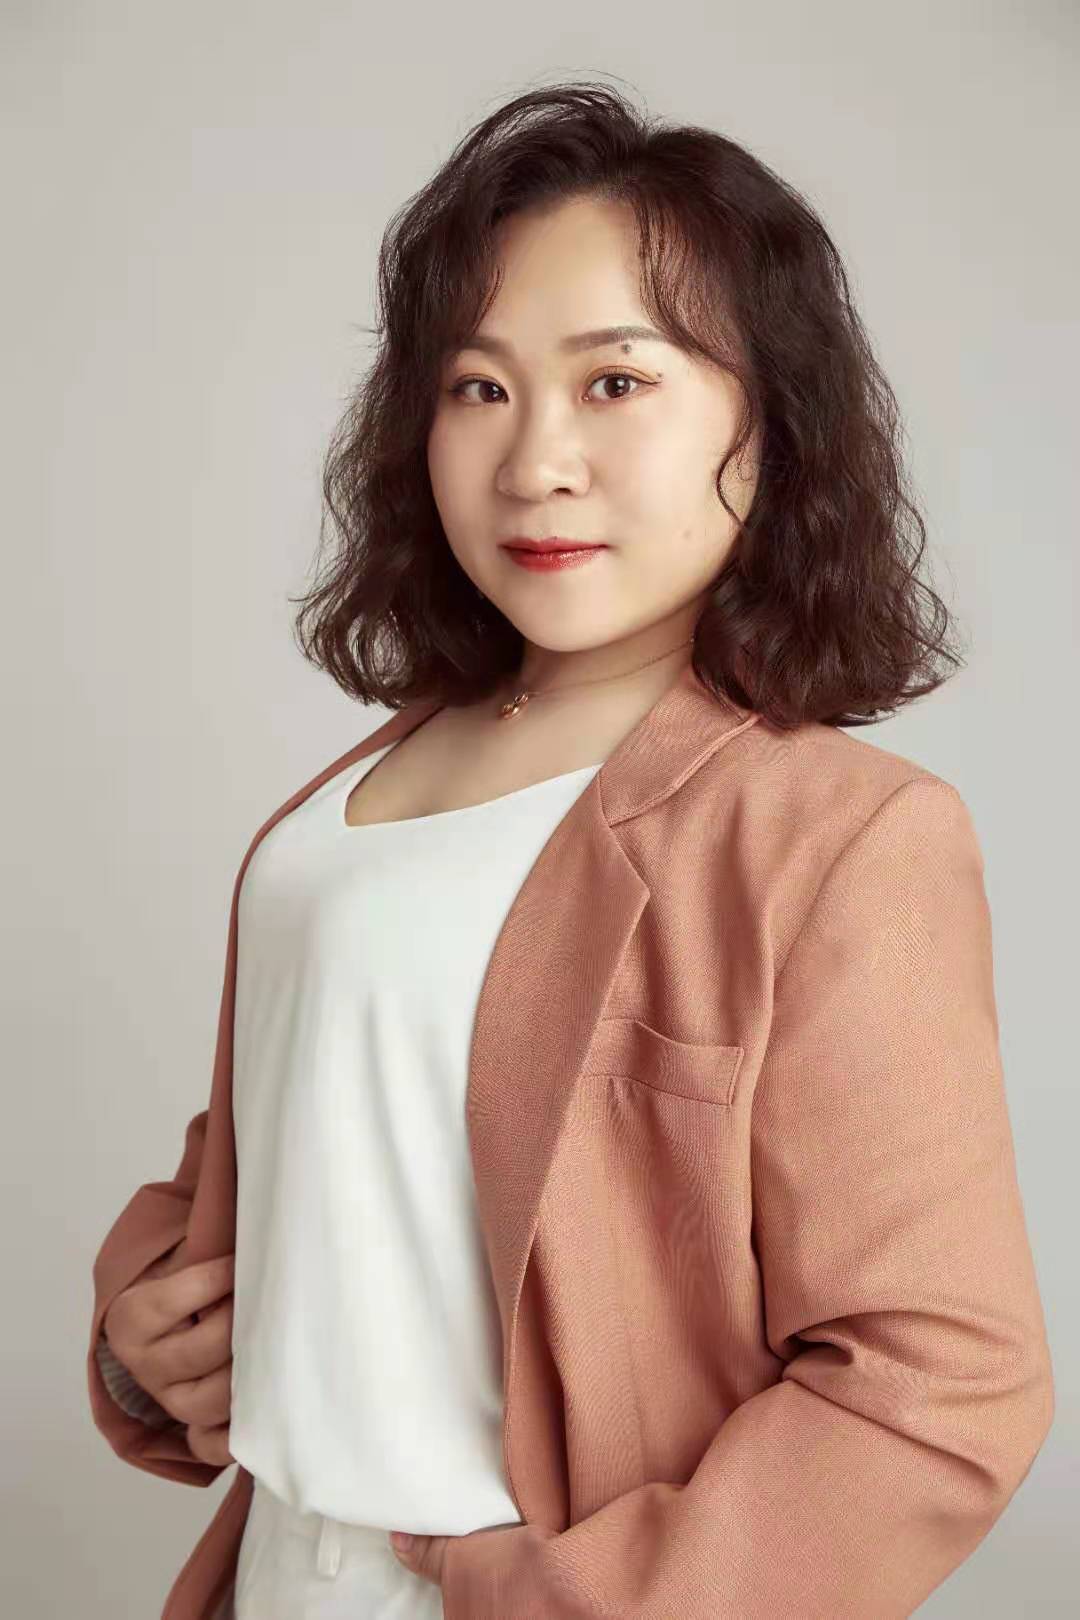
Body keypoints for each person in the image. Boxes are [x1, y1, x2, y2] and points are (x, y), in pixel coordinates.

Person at [87, 80, 1054, 1620]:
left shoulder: (839, 834)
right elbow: (293, 1149)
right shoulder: (353, 794)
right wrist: (146, 1339)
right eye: (478, 387)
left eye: (615, 382)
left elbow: (937, 1382)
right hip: (268, 1575)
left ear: (770, 420)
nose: (534, 459)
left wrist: (574, 1600)